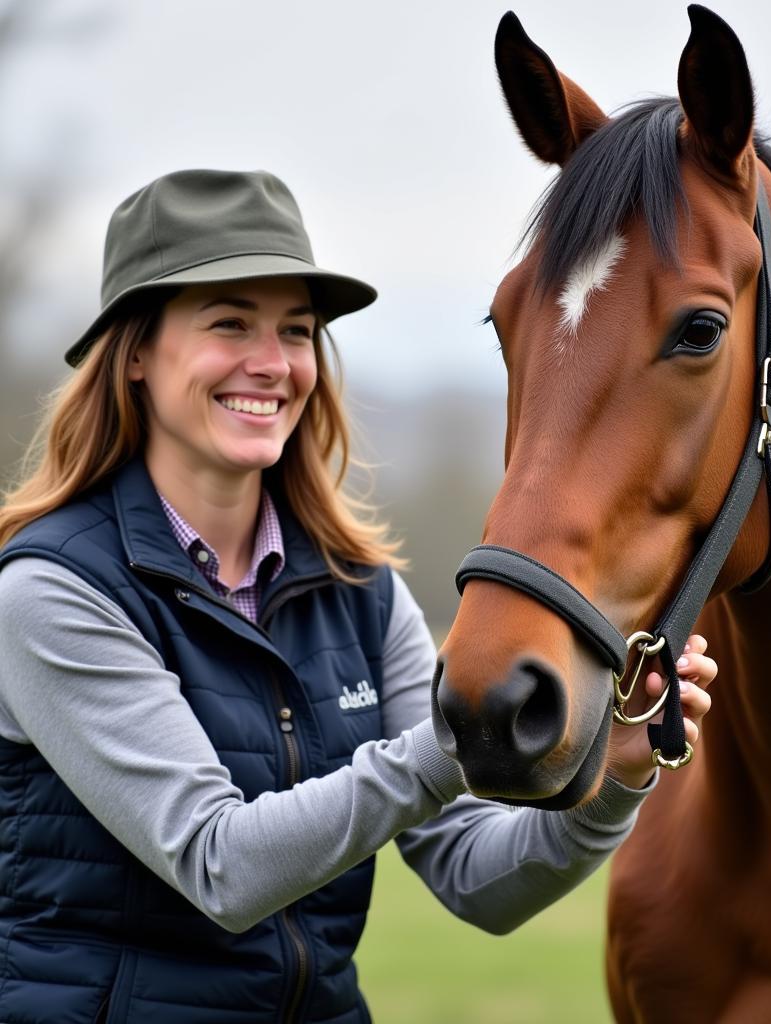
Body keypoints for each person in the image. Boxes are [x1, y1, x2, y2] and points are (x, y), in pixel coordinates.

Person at [0, 169, 716, 1023]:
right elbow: (218, 862)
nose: (272, 364)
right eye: (231, 323)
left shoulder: (360, 589)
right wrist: (467, 730)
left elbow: (476, 880)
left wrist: (616, 778)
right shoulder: (54, 592)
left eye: (296, 331)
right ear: (139, 354)